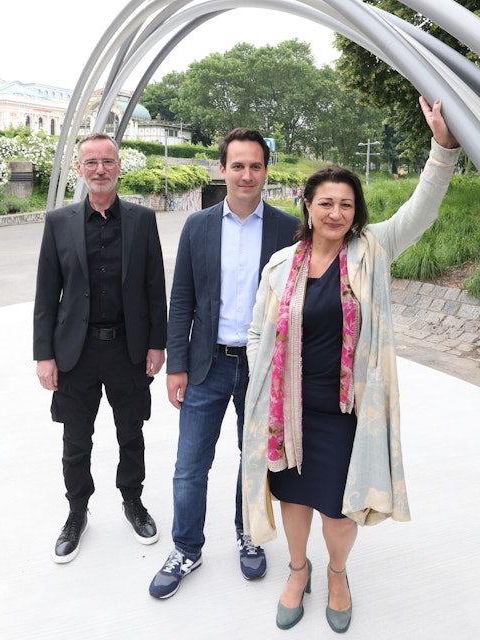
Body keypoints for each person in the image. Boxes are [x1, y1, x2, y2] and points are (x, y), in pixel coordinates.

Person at [241, 97, 460, 632]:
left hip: (344, 411)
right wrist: (266, 381)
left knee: (339, 507)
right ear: (307, 206)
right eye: (325, 203)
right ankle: (298, 570)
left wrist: (443, 148)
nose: (335, 213)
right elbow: (257, 332)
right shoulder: (281, 264)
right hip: (289, 409)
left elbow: (421, 211)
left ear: (355, 210)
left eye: (345, 204)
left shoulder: (372, 250)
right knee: (293, 497)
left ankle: (337, 574)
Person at [148, 128, 301, 599]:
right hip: (206, 364)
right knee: (190, 464)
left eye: (255, 166)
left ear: (266, 171)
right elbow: (181, 300)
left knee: (253, 459)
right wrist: (176, 365)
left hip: (261, 369)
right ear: (222, 169)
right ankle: (186, 548)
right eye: (238, 165)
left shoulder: (288, 229)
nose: (246, 174)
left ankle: (249, 533)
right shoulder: (198, 226)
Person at [33, 132, 167, 563]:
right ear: (79, 169)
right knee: (76, 440)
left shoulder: (142, 220)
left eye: (107, 161)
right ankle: (77, 512)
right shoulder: (59, 222)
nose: (100, 169)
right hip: (76, 354)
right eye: (91, 162)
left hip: (128, 349)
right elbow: (46, 294)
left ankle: (133, 501)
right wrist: (44, 355)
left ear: (119, 166)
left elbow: (154, 288)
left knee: (131, 433)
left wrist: (157, 344)